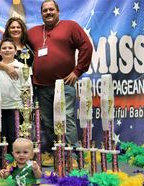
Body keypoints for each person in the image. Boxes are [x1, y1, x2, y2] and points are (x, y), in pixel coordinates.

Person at [27, 0, 93, 153]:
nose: (48, 12)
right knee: (49, 122)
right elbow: (15, 43)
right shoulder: (33, 32)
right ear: (41, 14)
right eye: (45, 10)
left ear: (58, 11)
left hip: (64, 84)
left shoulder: (70, 26)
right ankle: (58, 153)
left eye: (51, 9)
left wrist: (77, 71)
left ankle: (72, 154)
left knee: (67, 118)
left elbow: (86, 46)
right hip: (41, 87)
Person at [0, 38, 32, 153]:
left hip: (16, 108)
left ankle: (15, 162)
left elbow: (29, 88)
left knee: (15, 136)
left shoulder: (21, 67)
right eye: (4, 48)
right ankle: (0, 163)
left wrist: (29, 105)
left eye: (10, 48)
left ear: (15, 51)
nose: (7, 50)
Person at [0, 17, 34, 81]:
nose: (15, 29)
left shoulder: (28, 45)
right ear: (8, 30)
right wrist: (7, 67)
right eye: (12, 27)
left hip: (26, 83)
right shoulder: (1, 44)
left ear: (22, 29)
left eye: (18, 27)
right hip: (8, 82)